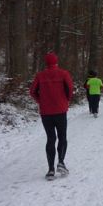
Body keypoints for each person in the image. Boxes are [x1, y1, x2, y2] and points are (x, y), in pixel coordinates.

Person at [30, 52, 73, 181]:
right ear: (56, 61)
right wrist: (66, 100)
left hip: (46, 112)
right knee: (62, 137)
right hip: (60, 110)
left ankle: (50, 170)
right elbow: (70, 89)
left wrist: (40, 101)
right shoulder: (63, 73)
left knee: (50, 139)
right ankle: (61, 162)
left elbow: (32, 92)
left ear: (46, 62)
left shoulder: (40, 75)